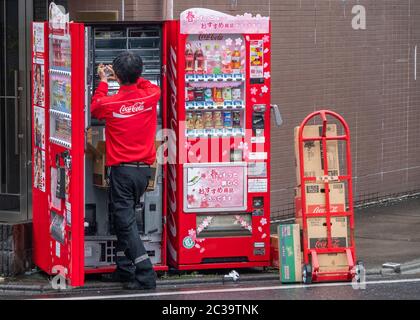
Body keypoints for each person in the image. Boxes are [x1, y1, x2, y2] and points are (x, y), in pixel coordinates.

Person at [91, 52, 160, 290]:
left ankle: (145, 273)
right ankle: (124, 268)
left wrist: (104, 79)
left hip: (121, 172)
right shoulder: (152, 95)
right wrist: (128, 77)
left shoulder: (109, 103)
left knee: (126, 223)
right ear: (139, 73)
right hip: (143, 173)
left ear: (117, 76)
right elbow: (146, 84)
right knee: (125, 220)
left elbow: (94, 107)